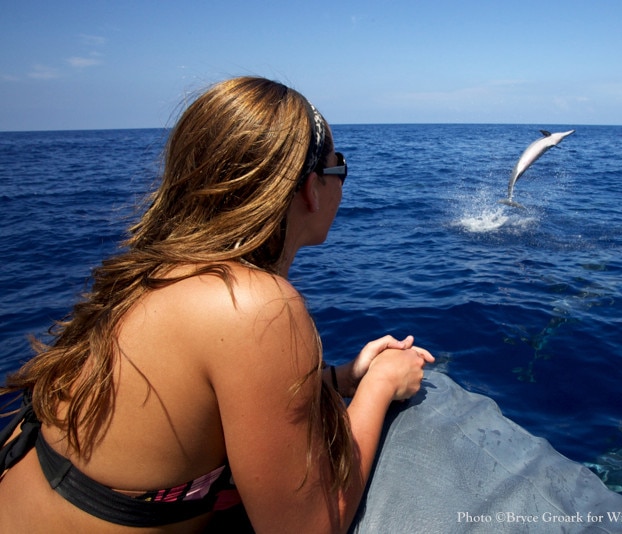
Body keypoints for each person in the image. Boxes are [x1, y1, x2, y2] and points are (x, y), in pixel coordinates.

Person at [0, 76, 434, 533]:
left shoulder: (155, 270)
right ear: (311, 188)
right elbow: (307, 528)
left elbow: (192, 408)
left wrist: (336, 379)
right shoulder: (254, 306)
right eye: (338, 167)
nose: (341, 181)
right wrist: (380, 385)